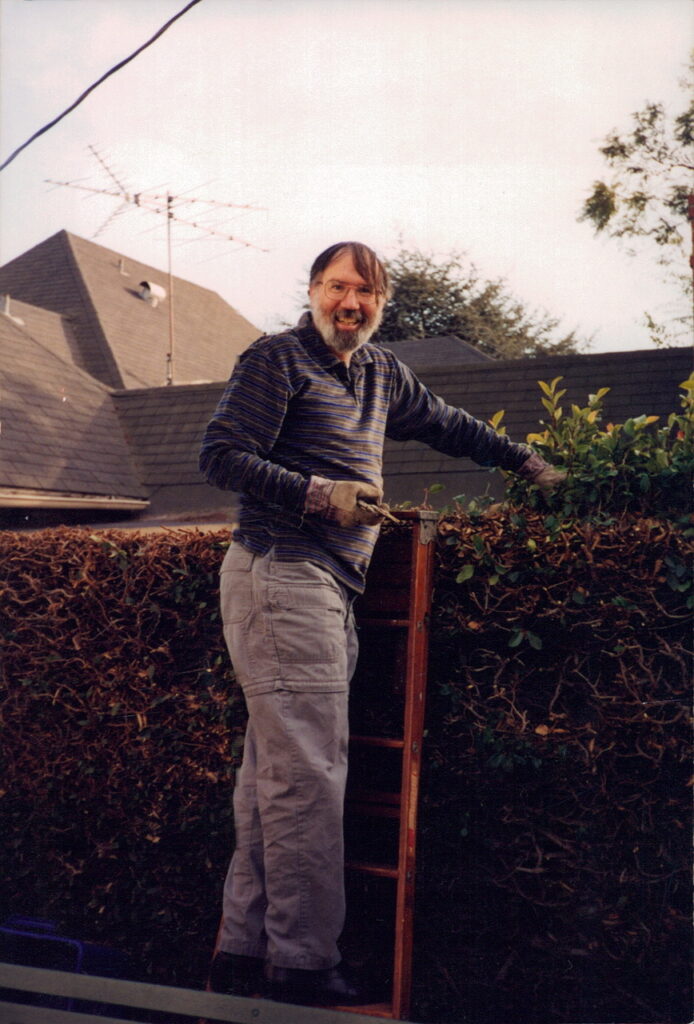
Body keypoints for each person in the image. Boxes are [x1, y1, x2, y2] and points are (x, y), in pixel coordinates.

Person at [199, 241, 564, 1006]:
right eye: (337, 288)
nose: (350, 304)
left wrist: (527, 463)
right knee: (308, 773)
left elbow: (449, 424)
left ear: (381, 306)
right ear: (312, 291)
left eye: (365, 294)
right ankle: (299, 962)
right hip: (281, 571)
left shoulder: (379, 373)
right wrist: (317, 494)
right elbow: (222, 455)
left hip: (328, 583)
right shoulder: (277, 360)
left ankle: (243, 949)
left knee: (276, 772)